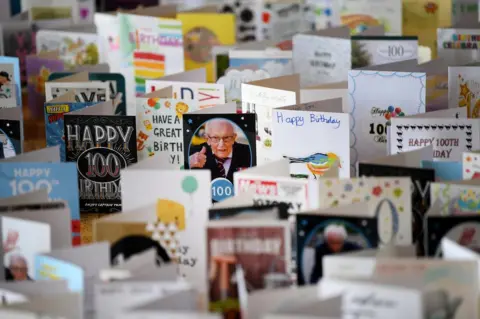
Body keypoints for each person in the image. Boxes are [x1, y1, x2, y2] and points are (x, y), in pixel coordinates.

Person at [188, 119, 251, 183]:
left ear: (234, 138)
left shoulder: (249, 153)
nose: (221, 144)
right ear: (207, 139)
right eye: (215, 138)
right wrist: (189, 163)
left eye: (226, 137)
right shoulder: (192, 155)